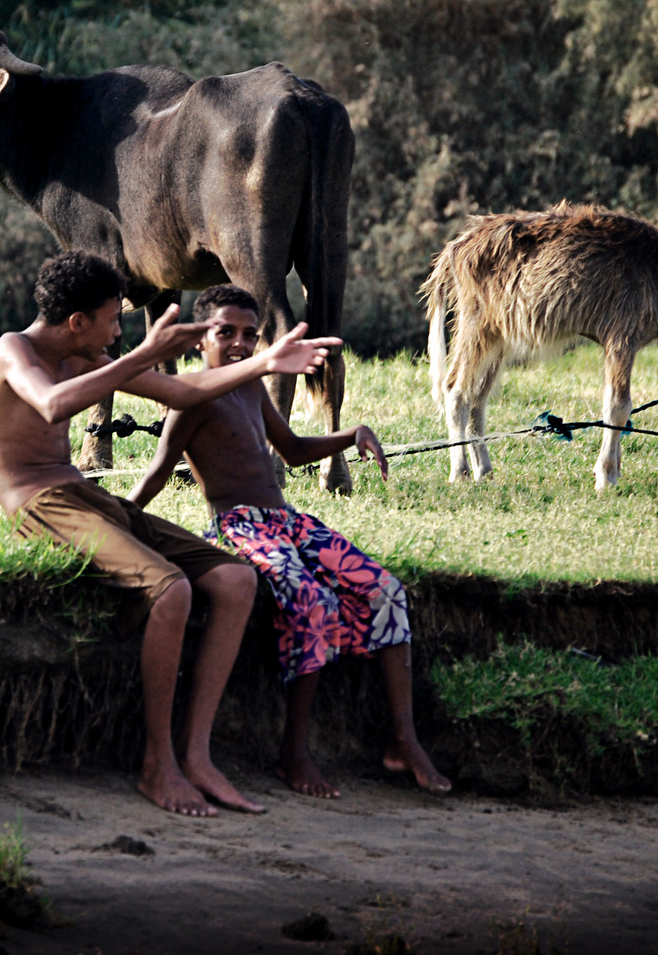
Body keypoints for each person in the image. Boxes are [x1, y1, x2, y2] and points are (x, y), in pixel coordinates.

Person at [0, 253, 341, 816]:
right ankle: (157, 763)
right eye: (112, 320)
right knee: (172, 589)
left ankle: (196, 756)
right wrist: (142, 356)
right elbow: (51, 406)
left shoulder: (86, 354)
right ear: (77, 322)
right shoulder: (13, 351)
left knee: (234, 577)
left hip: (86, 495)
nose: (117, 332)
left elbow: (186, 394)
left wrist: (265, 363)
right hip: (40, 502)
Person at [128, 284, 451, 797]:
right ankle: (293, 751)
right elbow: (159, 471)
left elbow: (294, 450)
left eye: (249, 335)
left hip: (289, 522)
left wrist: (352, 435)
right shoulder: (189, 399)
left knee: (385, 589)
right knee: (311, 600)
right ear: (198, 341)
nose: (239, 344)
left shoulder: (252, 387)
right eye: (225, 333)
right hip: (240, 527)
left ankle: (403, 739)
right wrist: (121, 521)